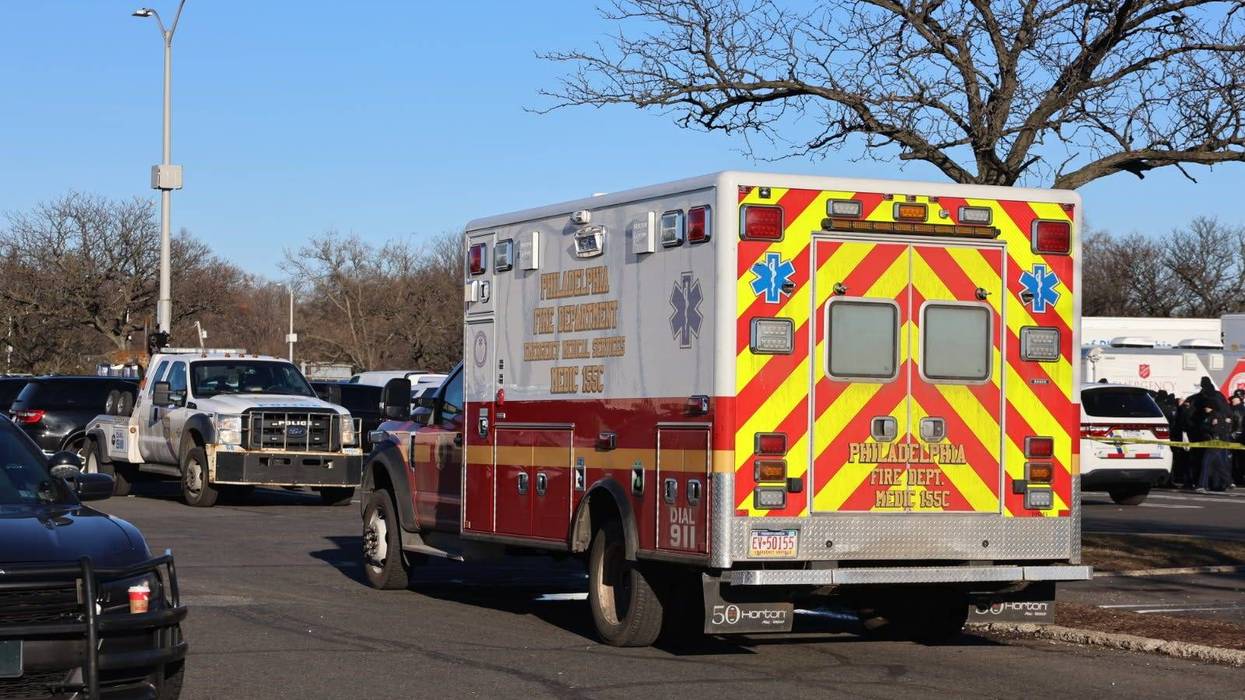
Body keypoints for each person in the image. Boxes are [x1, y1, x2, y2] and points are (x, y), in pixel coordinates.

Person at [1195, 377, 1233, 492]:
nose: (1205, 408)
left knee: (1206, 463)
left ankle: (1202, 485)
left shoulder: (1213, 415)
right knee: (1219, 463)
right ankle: (1228, 482)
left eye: (1207, 406)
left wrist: (1208, 427)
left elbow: (1212, 428)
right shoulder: (1218, 399)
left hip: (1215, 441)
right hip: (1219, 440)